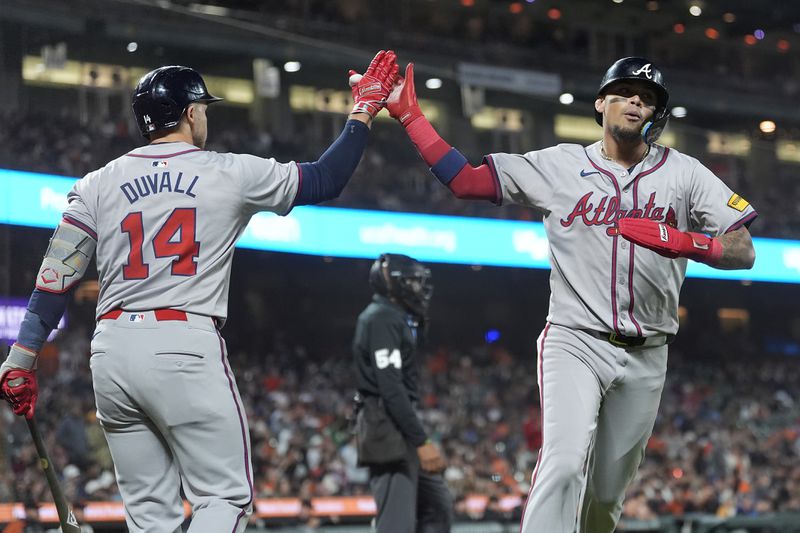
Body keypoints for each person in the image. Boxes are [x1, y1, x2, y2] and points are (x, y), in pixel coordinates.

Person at [0, 51, 398, 533]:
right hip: (183, 342)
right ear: (189, 113)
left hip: (111, 352)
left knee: (149, 516)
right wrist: (362, 112)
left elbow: (55, 275)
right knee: (224, 497)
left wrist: (21, 357)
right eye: (203, 108)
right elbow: (326, 179)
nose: (205, 115)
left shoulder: (95, 184)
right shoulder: (226, 170)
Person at [385, 57, 757, 532]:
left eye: (646, 98)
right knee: (562, 466)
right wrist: (412, 118)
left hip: (649, 352)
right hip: (575, 340)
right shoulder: (560, 165)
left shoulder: (684, 173)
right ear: (601, 103)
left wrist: (689, 243)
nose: (635, 101)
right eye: (624, 92)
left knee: (605, 496)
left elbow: (743, 249)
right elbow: (467, 181)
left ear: (655, 115)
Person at [352, 253, 453, 533]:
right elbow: (390, 387)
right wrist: (422, 441)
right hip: (385, 424)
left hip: (397, 423)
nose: (419, 289)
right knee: (396, 525)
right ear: (395, 285)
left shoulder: (394, 317)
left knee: (437, 506)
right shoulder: (380, 318)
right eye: (413, 281)